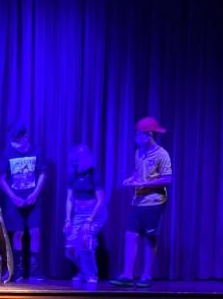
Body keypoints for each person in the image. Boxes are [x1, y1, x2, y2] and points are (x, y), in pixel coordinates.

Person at [112, 117, 172, 288]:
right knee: (130, 235)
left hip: (154, 202)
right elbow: (137, 172)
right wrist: (131, 179)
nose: (136, 137)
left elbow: (168, 178)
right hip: (137, 201)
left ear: (149, 134)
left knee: (149, 238)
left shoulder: (162, 154)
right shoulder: (138, 152)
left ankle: (146, 275)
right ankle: (127, 274)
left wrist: (145, 184)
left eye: (139, 134)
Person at [0, 122, 47, 282]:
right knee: (18, 233)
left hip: (33, 199)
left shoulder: (36, 151)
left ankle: (34, 271)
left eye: (18, 140)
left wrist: (35, 193)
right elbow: (1, 178)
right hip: (14, 201)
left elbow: (43, 173)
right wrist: (13, 197)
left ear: (25, 138)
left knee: (34, 232)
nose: (16, 144)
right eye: (14, 141)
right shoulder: (7, 153)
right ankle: (18, 271)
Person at [64, 144, 107, 284]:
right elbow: (69, 199)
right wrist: (67, 220)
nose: (79, 161)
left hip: (95, 213)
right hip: (78, 214)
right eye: (77, 159)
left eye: (82, 158)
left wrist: (89, 220)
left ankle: (91, 274)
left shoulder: (94, 175)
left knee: (85, 240)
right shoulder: (73, 175)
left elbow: (101, 201)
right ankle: (84, 271)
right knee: (70, 250)